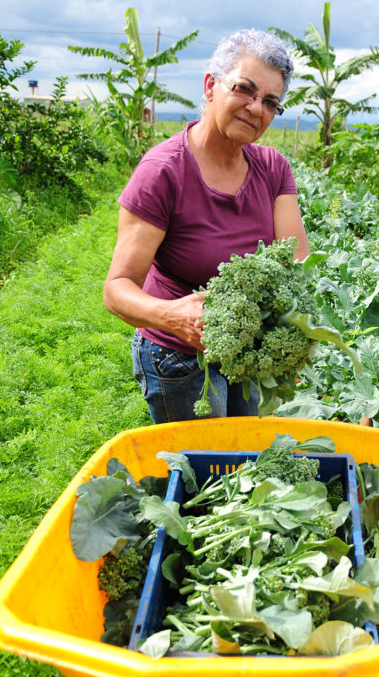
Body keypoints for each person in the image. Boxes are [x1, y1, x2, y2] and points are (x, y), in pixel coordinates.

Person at [103, 29, 309, 424]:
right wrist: (171, 316)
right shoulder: (163, 172)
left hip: (248, 351)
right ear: (211, 86)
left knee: (243, 461)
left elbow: (297, 263)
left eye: (270, 102)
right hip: (179, 358)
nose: (255, 107)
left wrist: (302, 335)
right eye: (244, 89)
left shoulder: (273, 168)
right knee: (206, 473)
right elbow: (116, 290)